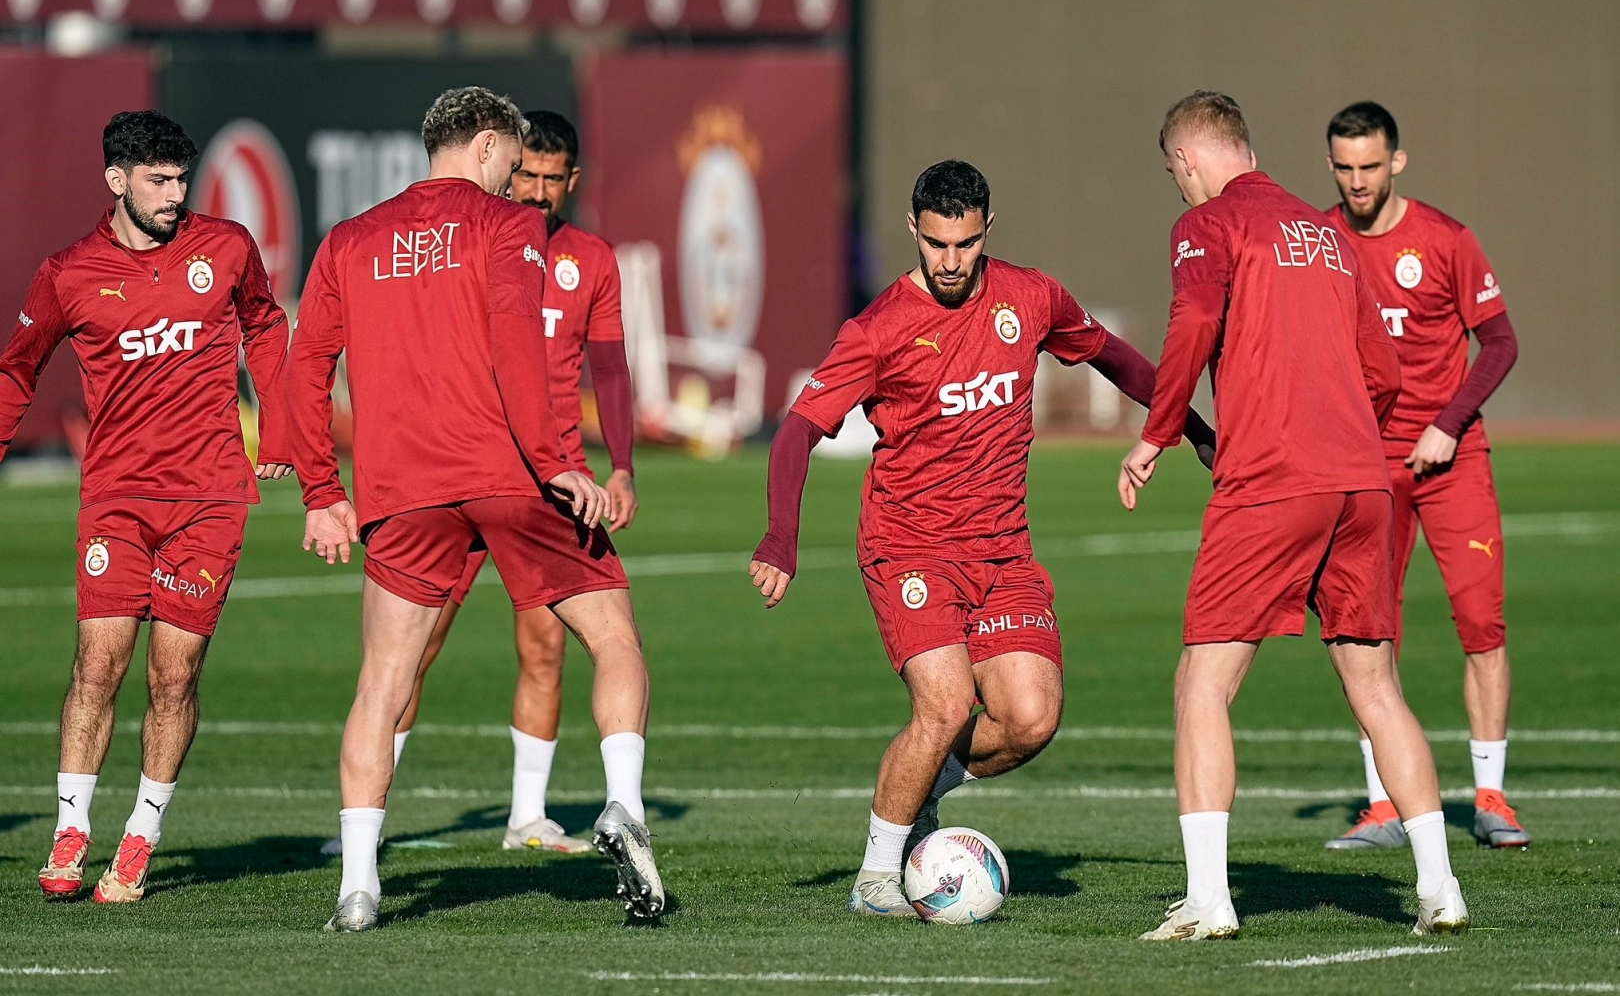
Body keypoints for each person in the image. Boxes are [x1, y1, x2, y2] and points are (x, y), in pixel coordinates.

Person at [750, 159, 1216, 917]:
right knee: (944, 706)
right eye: (936, 244)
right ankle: (875, 879)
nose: (950, 261)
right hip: (909, 547)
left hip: (1003, 553)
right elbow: (797, 430)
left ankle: (920, 790)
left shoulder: (1031, 298)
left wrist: (1190, 428)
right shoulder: (878, 329)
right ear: (914, 229)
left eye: (965, 244)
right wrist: (781, 537)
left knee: (1031, 719)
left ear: (987, 229)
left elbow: (1114, 357)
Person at [284, 88, 662, 932]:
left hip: (401, 491)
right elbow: (519, 354)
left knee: (383, 683)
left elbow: (304, 366)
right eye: (513, 162)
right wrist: (560, 465)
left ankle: (358, 887)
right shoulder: (507, 226)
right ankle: (625, 806)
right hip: (507, 474)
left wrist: (321, 493)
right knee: (613, 638)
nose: (519, 181)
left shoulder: (349, 239)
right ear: (487, 146)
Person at [1121, 91, 1468, 940]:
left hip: (1272, 481)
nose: (1178, 186)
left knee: (1202, 684)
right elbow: (1385, 373)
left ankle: (1209, 899)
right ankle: (1441, 888)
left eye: (1174, 172)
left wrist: (1157, 435)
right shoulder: (1330, 235)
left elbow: (1194, 321)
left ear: (1187, 159)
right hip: (1362, 483)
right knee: (1376, 689)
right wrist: (1342, 431)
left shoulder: (1208, 224)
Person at [0, 110, 291, 903]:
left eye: (180, 179)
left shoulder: (225, 247)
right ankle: (70, 829)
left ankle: (140, 836)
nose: (174, 195)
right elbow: (17, 369)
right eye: (158, 181)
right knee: (97, 664)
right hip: (117, 499)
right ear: (115, 180)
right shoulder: (67, 273)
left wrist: (283, 423)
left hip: (210, 498)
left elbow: (266, 325)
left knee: (174, 676)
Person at [1322, 101, 1526, 850]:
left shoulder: (1445, 240)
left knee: (1481, 621)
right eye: (1344, 168)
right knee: (1370, 632)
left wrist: (1449, 422)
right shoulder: (1320, 243)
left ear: (1397, 162)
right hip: (1366, 468)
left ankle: (1492, 798)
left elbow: (1500, 342)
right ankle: (1384, 807)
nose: (1358, 181)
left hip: (1451, 460)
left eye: (1370, 166)